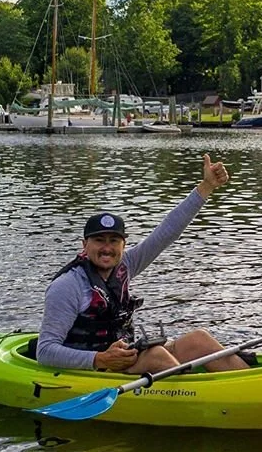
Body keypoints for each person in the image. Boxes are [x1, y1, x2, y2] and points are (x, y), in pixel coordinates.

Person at [36, 154, 249, 374]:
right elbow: (45, 352)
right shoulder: (67, 286)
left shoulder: (126, 265)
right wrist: (101, 359)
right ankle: (203, 399)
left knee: (199, 340)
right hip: (95, 369)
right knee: (157, 355)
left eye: (113, 241)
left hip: (124, 355)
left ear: (123, 244)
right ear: (84, 245)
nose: (107, 248)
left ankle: (248, 384)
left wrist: (206, 186)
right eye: (99, 241)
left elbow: (167, 232)